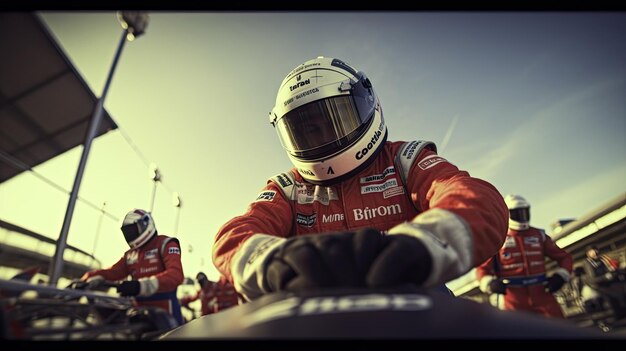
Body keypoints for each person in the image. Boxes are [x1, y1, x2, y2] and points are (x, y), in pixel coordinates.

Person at [212, 56, 509, 302]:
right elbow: (234, 235)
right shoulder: (288, 188)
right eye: (309, 130)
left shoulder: (405, 159)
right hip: (320, 320)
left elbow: (477, 200)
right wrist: (273, 261)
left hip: (416, 307)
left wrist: (422, 245)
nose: (324, 135)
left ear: (367, 102)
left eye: (334, 119)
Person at [80, 208, 185, 326]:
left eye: (132, 230)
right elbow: (112, 272)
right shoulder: (130, 254)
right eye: (127, 232)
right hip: (138, 313)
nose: (130, 235)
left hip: (167, 313)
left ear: (146, 224)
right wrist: (85, 278)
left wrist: (141, 286)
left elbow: (176, 275)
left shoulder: (166, 243)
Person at [476, 194, 573, 318]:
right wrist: (489, 283)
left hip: (542, 293)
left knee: (560, 330)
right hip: (513, 298)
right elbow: (482, 268)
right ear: (508, 214)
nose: (522, 216)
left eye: (524, 211)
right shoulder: (498, 238)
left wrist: (561, 276)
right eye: (517, 213)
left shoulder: (539, 235)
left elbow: (565, 257)